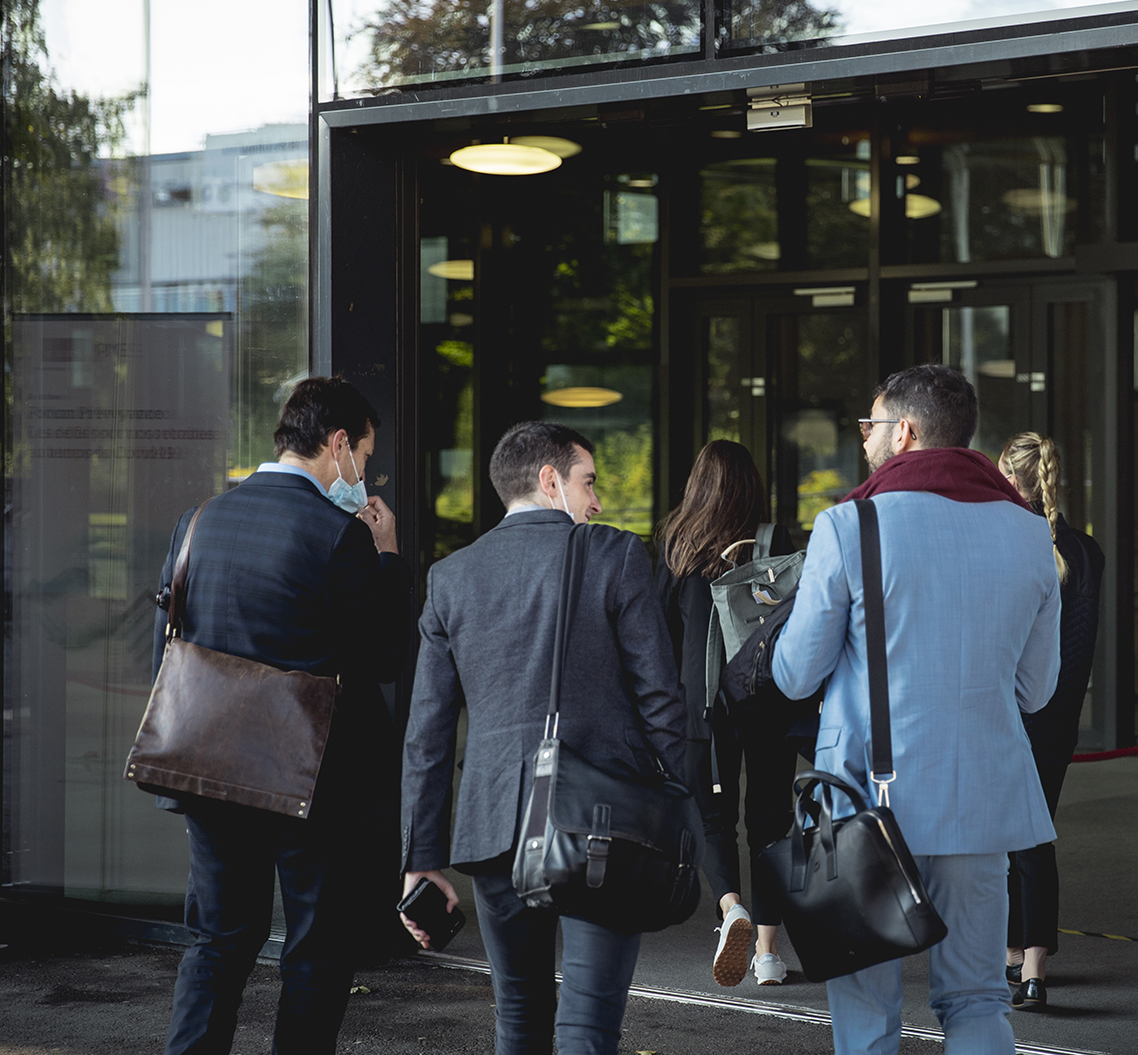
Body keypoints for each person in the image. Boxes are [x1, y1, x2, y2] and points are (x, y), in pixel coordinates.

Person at [771, 364, 1060, 1055]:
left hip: (868, 800)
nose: (864, 438)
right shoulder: (1028, 532)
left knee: (868, 1006)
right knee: (979, 997)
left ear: (903, 431)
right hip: (982, 799)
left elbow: (794, 675)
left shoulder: (849, 524)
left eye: (869, 425)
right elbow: (1036, 690)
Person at [399, 421, 688, 1055]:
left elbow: (428, 733)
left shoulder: (451, 577)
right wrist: (678, 800)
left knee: (520, 1017)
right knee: (588, 1026)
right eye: (589, 482)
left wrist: (421, 858)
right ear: (550, 479)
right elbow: (661, 696)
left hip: (494, 824)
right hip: (603, 822)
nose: (597, 502)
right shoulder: (615, 555)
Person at [155, 376, 413, 1055]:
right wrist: (388, 557)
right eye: (365, 456)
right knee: (316, 947)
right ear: (338, 444)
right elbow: (383, 655)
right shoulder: (338, 535)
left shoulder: (199, 519)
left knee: (218, 938)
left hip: (211, 762)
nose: (365, 473)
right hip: (311, 774)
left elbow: (169, 643)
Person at [654, 440, 801, 988]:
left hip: (701, 707)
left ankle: (731, 907)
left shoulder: (677, 544)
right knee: (769, 823)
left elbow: (658, 635)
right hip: (765, 701)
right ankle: (767, 953)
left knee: (712, 819)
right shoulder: (772, 541)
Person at [997, 432, 1105, 1010]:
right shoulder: (1086, 551)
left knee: (1009, 836)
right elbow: (1081, 647)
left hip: (1011, 709)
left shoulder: (1007, 544)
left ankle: (1019, 956)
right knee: (1035, 832)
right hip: (1059, 717)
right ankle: (1028, 961)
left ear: (1010, 478)